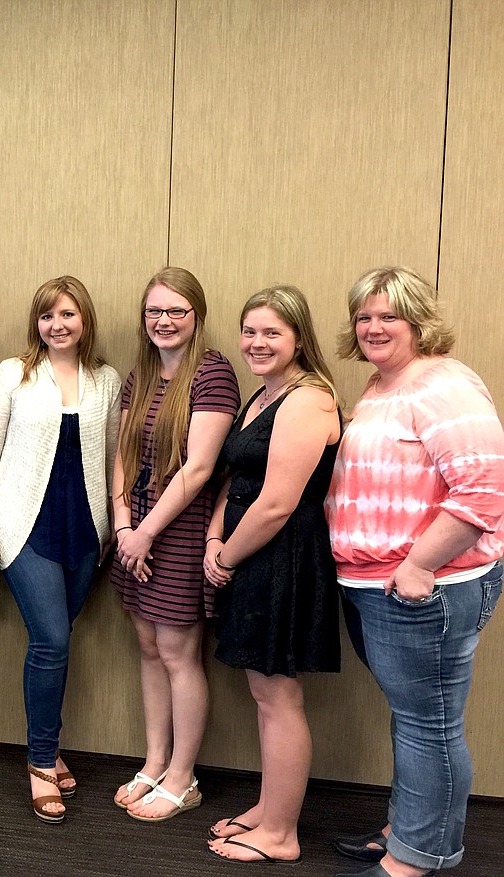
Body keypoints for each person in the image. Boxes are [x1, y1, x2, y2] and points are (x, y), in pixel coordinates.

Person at [325, 267, 504, 877]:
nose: (373, 327)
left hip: (426, 589)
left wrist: (420, 564)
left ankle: (416, 858)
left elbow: (484, 490)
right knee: (414, 718)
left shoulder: (443, 385)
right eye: (364, 316)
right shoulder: (383, 385)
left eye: (388, 316)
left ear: (418, 321)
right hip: (375, 584)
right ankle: (408, 830)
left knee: (430, 724)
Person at [0, 276, 121, 823]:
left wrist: (112, 527)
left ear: (85, 321)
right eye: (47, 316)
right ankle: (39, 762)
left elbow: (110, 461)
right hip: (22, 528)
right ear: (36, 323)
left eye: (68, 315)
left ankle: (49, 747)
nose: (57, 325)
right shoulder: (15, 373)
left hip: (85, 531)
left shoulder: (104, 380)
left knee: (61, 638)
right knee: (51, 641)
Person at [202, 286, 342, 865]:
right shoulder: (264, 394)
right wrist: (215, 537)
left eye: (272, 333)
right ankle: (269, 807)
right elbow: (238, 479)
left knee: (279, 695)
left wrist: (226, 556)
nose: (256, 343)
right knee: (263, 690)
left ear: (299, 339)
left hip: (283, 558)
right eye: (250, 331)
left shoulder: (309, 400)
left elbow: (278, 503)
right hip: (250, 552)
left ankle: (281, 834)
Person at [110, 266, 240, 822]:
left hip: (179, 532)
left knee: (180, 654)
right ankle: (155, 759)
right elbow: (122, 455)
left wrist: (144, 533)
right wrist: (121, 526)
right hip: (133, 531)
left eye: (175, 311)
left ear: (196, 316)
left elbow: (200, 467)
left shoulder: (212, 373)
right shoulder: (138, 376)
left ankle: (184, 777)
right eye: (154, 311)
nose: (163, 321)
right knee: (147, 648)